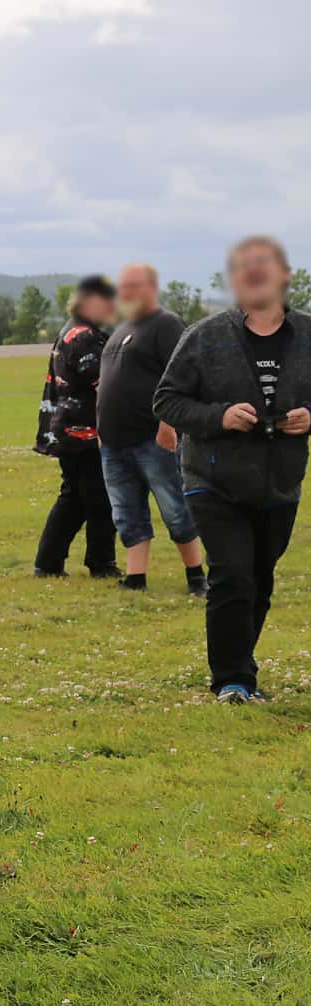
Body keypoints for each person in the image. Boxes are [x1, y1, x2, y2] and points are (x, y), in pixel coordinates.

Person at [153, 234, 311, 703]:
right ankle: (232, 680)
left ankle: (240, 665)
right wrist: (218, 416)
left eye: (263, 263)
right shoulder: (203, 336)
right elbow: (167, 400)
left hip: (280, 483)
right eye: (243, 265)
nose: (253, 271)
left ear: (284, 275)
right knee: (233, 575)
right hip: (212, 480)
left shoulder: (307, 335)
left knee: (259, 581)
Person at [99, 263, 206, 595]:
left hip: (152, 438)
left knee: (175, 508)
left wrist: (168, 423)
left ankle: (197, 576)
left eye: (133, 286)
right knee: (127, 513)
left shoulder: (166, 324)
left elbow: (182, 376)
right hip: (114, 442)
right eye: (123, 287)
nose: (126, 293)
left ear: (151, 287)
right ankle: (136, 578)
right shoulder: (122, 328)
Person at [34, 276, 120, 579]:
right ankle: (101, 563)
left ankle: (48, 563)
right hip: (85, 432)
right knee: (99, 500)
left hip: (68, 428)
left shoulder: (71, 329)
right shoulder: (85, 337)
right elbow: (104, 383)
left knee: (73, 498)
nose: (112, 307)